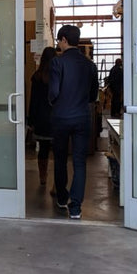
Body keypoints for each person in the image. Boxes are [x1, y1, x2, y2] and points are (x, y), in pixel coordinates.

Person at [48, 25, 99, 220]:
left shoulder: (57, 63)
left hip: (61, 117)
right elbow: (93, 94)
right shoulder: (90, 65)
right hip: (82, 117)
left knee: (60, 159)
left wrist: (56, 104)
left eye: (59, 41)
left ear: (63, 40)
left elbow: (53, 92)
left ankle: (62, 198)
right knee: (79, 162)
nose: (58, 44)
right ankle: (75, 207)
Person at [28, 46, 56, 186]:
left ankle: (43, 178)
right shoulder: (58, 76)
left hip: (41, 119)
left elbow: (33, 101)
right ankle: (57, 181)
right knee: (58, 151)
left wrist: (31, 120)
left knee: (43, 150)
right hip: (57, 118)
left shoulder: (37, 76)